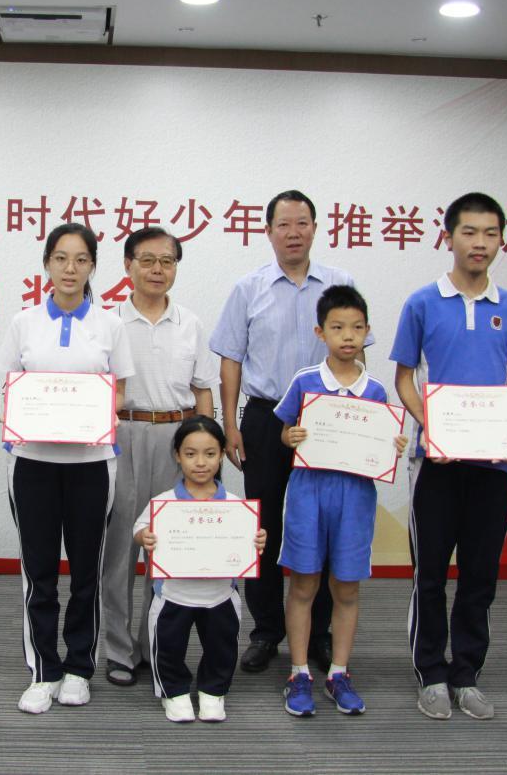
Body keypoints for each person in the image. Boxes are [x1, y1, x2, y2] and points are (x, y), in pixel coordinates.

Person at [210, 189, 372, 673]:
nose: (294, 233)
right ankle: (265, 631)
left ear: (316, 228)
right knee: (263, 526)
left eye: (302, 223)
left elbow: (358, 355)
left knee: (321, 526)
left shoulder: (340, 282)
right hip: (265, 418)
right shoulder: (249, 287)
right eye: (284, 224)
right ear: (268, 232)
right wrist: (230, 424)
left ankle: (318, 633)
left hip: (328, 419)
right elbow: (231, 359)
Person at [390, 191, 507, 721]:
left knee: (480, 576)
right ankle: (430, 672)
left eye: (490, 233)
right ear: (448, 237)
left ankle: (467, 672)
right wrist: (432, 424)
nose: (480, 242)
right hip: (437, 464)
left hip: (494, 468)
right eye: (469, 232)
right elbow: (404, 379)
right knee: (430, 573)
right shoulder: (422, 303)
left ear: (501, 241)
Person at [0, 222, 136, 714]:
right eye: (60, 258)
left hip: (92, 465)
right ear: (47, 265)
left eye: (80, 259)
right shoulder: (24, 323)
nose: (69, 268)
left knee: (86, 572)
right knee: (38, 573)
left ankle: (78, 668)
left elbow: (120, 392)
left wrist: (90, 413)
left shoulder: (110, 325)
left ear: (93, 266)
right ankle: (43, 670)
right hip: (32, 463)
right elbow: (10, 387)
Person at [276, 286, 408, 717]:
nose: (347, 336)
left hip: (355, 496)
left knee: (347, 586)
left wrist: (393, 445)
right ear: (321, 332)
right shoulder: (305, 380)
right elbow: (284, 430)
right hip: (308, 492)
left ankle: (338, 672)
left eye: (356, 328)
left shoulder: (376, 390)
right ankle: (298, 672)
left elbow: (381, 442)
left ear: (367, 331)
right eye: (337, 328)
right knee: (304, 583)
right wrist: (291, 436)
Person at [102, 225, 219, 687]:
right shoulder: (108, 322)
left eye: (166, 261)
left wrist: (207, 449)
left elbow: (203, 390)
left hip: (178, 438)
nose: (157, 269)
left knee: (169, 549)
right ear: (127, 265)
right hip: (122, 435)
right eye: (147, 260)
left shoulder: (190, 324)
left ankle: (156, 647)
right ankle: (117, 650)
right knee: (119, 551)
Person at [133, 415, 267, 723]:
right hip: (173, 595)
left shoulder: (235, 505)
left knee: (222, 647)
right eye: (191, 454)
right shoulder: (164, 502)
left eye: (210, 453)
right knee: (168, 647)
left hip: (220, 595)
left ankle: (213, 691)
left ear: (221, 456)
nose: (201, 462)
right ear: (177, 456)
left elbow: (248, 538)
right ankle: (174, 693)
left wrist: (257, 539)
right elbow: (138, 528)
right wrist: (145, 536)